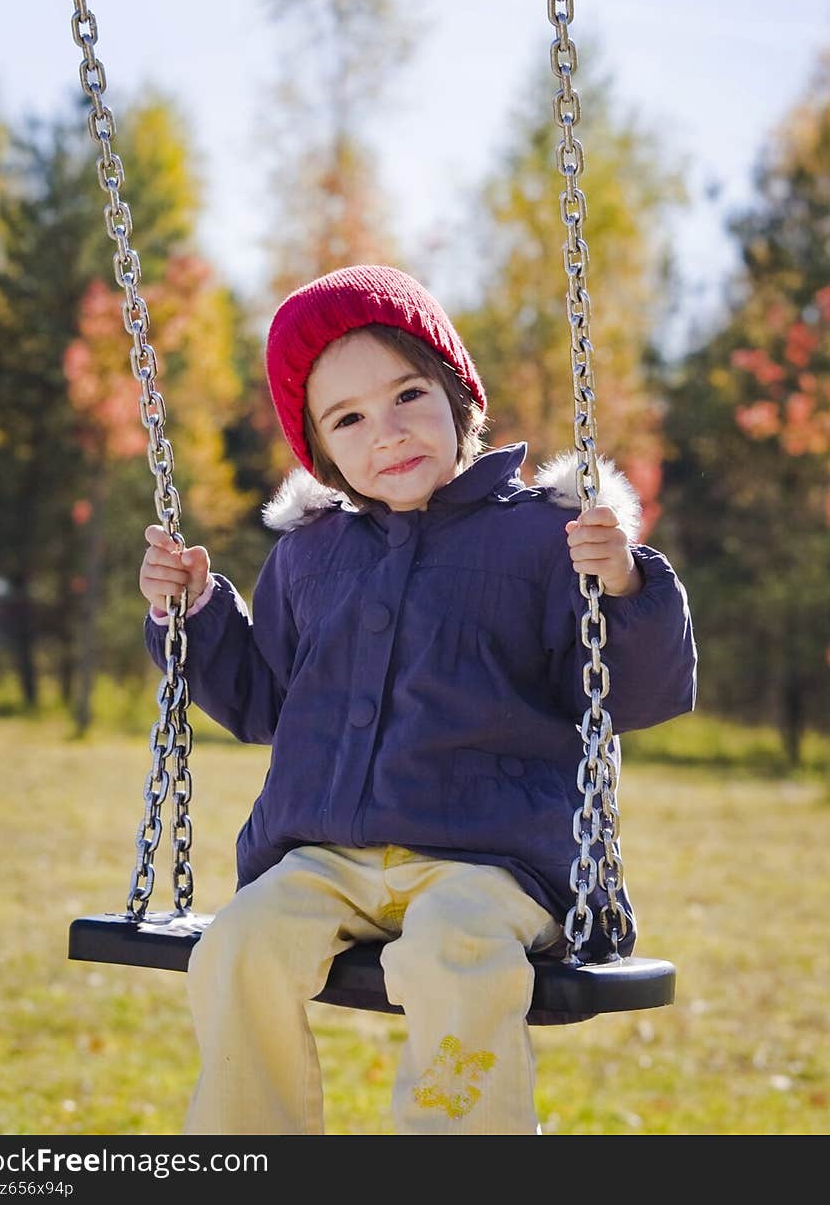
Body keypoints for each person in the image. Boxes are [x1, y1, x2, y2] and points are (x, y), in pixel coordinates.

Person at [139, 263, 697, 1136]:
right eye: (350, 418)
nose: (387, 433)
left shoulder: (543, 537)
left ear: (457, 395)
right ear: (321, 451)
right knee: (237, 947)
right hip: (329, 856)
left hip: (493, 860)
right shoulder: (310, 555)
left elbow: (634, 691)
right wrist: (194, 613)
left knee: (452, 952)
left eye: (407, 395)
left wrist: (622, 584)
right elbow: (265, 701)